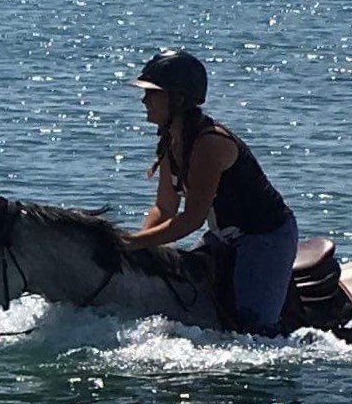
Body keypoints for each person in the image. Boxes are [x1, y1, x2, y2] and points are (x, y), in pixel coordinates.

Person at [123, 48, 298, 335]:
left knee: (253, 329)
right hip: (223, 237)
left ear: (178, 99)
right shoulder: (172, 140)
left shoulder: (209, 145)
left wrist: (132, 244)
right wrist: (139, 247)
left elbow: (190, 219)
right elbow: (164, 208)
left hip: (265, 238)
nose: (144, 100)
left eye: (153, 93)